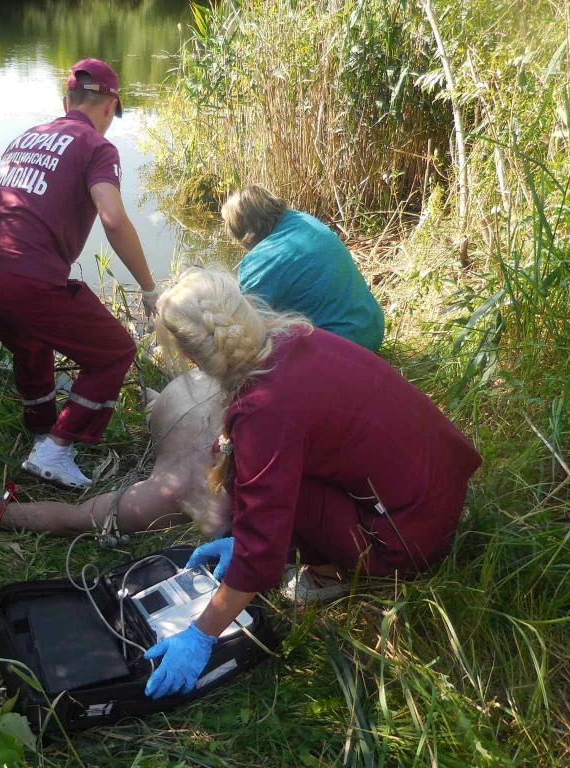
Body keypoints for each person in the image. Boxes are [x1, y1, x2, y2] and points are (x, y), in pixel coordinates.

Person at [141, 268, 481, 699]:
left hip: (408, 536)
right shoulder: (295, 338)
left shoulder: (263, 410)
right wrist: (242, 534)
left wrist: (201, 634)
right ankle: (328, 553)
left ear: (194, 359)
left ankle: (331, 574)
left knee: (261, 485)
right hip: (436, 490)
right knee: (253, 470)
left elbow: (262, 549)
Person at [0, 58, 160, 491]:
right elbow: (113, 218)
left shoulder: (26, 137)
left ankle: (40, 431)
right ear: (110, 106)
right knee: (113, 352)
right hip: (24, 275)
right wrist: (149, 288)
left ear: (65, 101)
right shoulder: (96, 146)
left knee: (30, 344)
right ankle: (55, 450)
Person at [0, 369, 230, 538]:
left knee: (163, 414)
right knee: (164, 416)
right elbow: (74, 519)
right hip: (188, 396)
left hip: (192, 391)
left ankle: (153, 402)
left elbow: (75, 518)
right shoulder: (170, 496)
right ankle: (152, 402)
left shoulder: (169, 497)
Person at [222, 185, 385, 352]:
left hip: (344, 346)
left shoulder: (260, 261)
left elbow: (246, 330)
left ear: (244, 234)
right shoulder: (303, 220)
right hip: (372, 328)